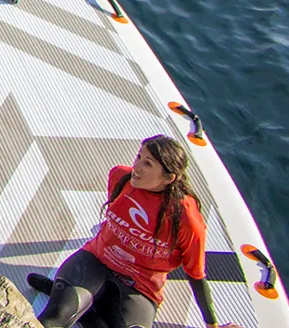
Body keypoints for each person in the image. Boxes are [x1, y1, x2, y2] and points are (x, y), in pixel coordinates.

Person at [29, 135, 234, 328]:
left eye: (148, 164)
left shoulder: (184, 215)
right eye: (139, 157)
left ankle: (88, 313)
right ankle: (86, 311)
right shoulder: (120, 177)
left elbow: (196, 273)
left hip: (139, 287)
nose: (136, 167)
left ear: (168, 178)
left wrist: (212, 325)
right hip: (95, 262)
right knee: (55, 318)